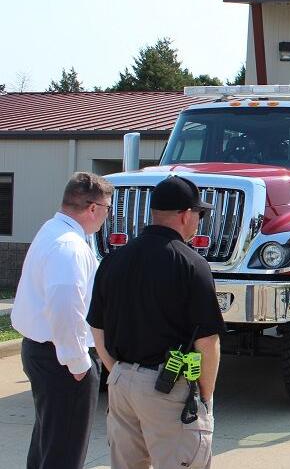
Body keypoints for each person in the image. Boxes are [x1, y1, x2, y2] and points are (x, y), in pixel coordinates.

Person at [87, 176, 225, 469]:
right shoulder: (191, 264)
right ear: (185, 215)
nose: (198, 221)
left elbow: (96, 326)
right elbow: (207, 343)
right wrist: (206, 398)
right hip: (168, 387)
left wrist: (119, 371)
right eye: (198, 214)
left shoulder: (114, 259)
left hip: (121, 383)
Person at [11, 172, 112, 469]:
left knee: (48, 442)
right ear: (93, 208)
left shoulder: (52, 229)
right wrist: (78, 362)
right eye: (107, 209)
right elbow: (65, 302)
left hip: (44, 352)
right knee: (64, 450)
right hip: (61, 359)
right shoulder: (69, 245)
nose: (107, 216)